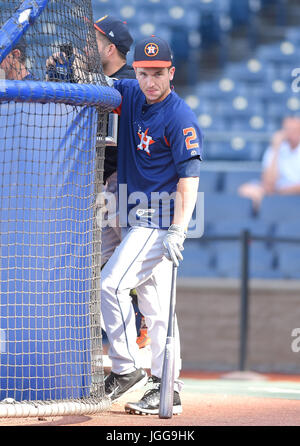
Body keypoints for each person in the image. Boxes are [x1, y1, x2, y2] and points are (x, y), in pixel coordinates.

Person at [101, 36, 202, 415]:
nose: (150, 81)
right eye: (144, 73)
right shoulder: (130, 91)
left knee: (110, 284)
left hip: (157, 220)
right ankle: (166, 387)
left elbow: (188, 179)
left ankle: (125, 368)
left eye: (158, 74)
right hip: (132, 215)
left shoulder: (180, 117)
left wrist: (178, 229)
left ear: (171, 72)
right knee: (157, 308)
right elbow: (103, 82)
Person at [93, 15, 150, 349]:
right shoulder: (97, 79)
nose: (91, 45)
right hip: (105, 188)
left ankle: (142, 330)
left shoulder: (130, 81)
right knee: (101, 267)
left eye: (98, 41)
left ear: (111, 47)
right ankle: (127, 338)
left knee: (135, 267)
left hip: (126, 187)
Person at [238, 117, 300, 210]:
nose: (290, 133)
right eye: (287, 129)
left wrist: (280, 191)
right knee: (246, 189)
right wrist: (276, 149)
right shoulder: (275, 149)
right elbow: (268, 182)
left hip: (289, 190)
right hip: (276, 190)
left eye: (294, 130)